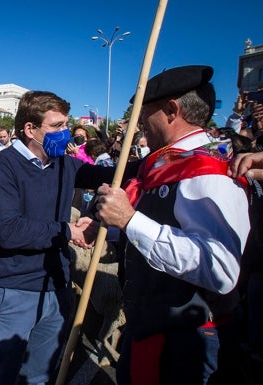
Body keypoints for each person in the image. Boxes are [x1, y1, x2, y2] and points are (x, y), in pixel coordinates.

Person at [93, 65, 250, 385]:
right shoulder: (165, 163)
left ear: (171, 110)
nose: (138, 124)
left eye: (144, 112)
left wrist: (129, 219)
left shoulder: (208, 167)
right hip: (152, 326)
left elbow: (220, 268)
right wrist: (111, 227)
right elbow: (162, 223)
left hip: (187, 344)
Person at [0, 90, 94, 385]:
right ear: (31, 129)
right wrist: (67, 231)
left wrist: (161, 162)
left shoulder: (65, 165)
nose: (64, 132)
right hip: (17, 287)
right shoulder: (3, 165)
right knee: (0, 375)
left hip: (57, 285)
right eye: (56, 126)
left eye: (65, 125)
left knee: (40, 376)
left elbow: (107, 176)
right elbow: (10, 231)